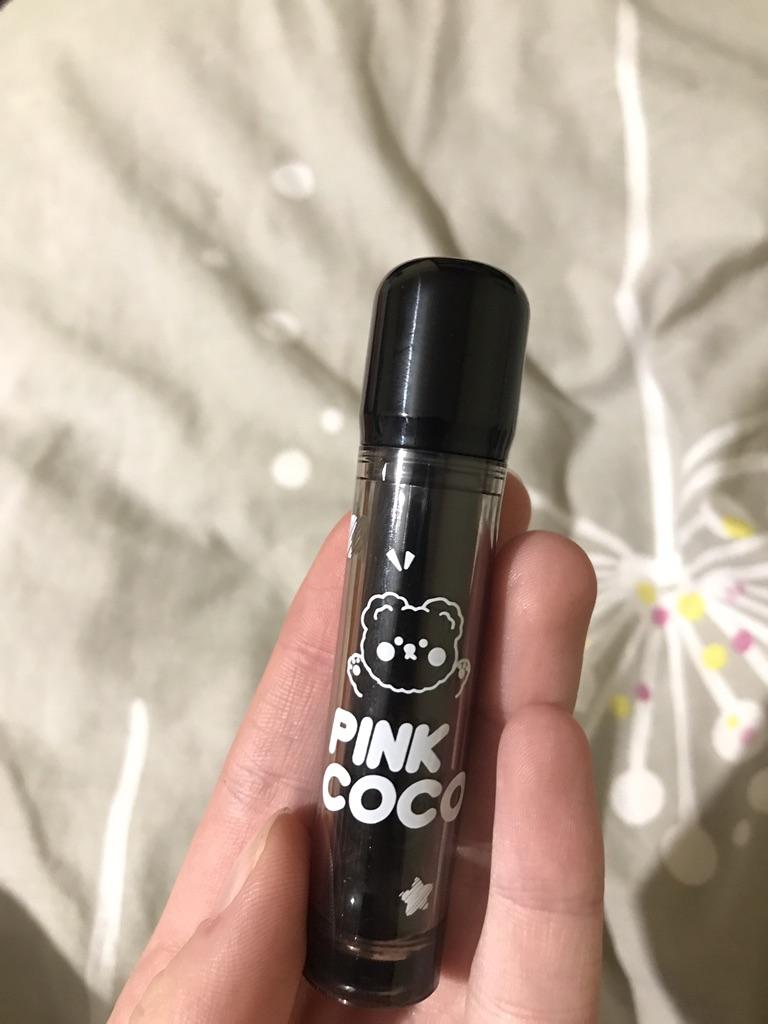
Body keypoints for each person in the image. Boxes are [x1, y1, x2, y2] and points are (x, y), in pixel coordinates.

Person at [109, 476, 604, 1023]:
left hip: (413, 914)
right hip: (338, 910)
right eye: (392, 646)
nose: (408, 654)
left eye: (428, 651)